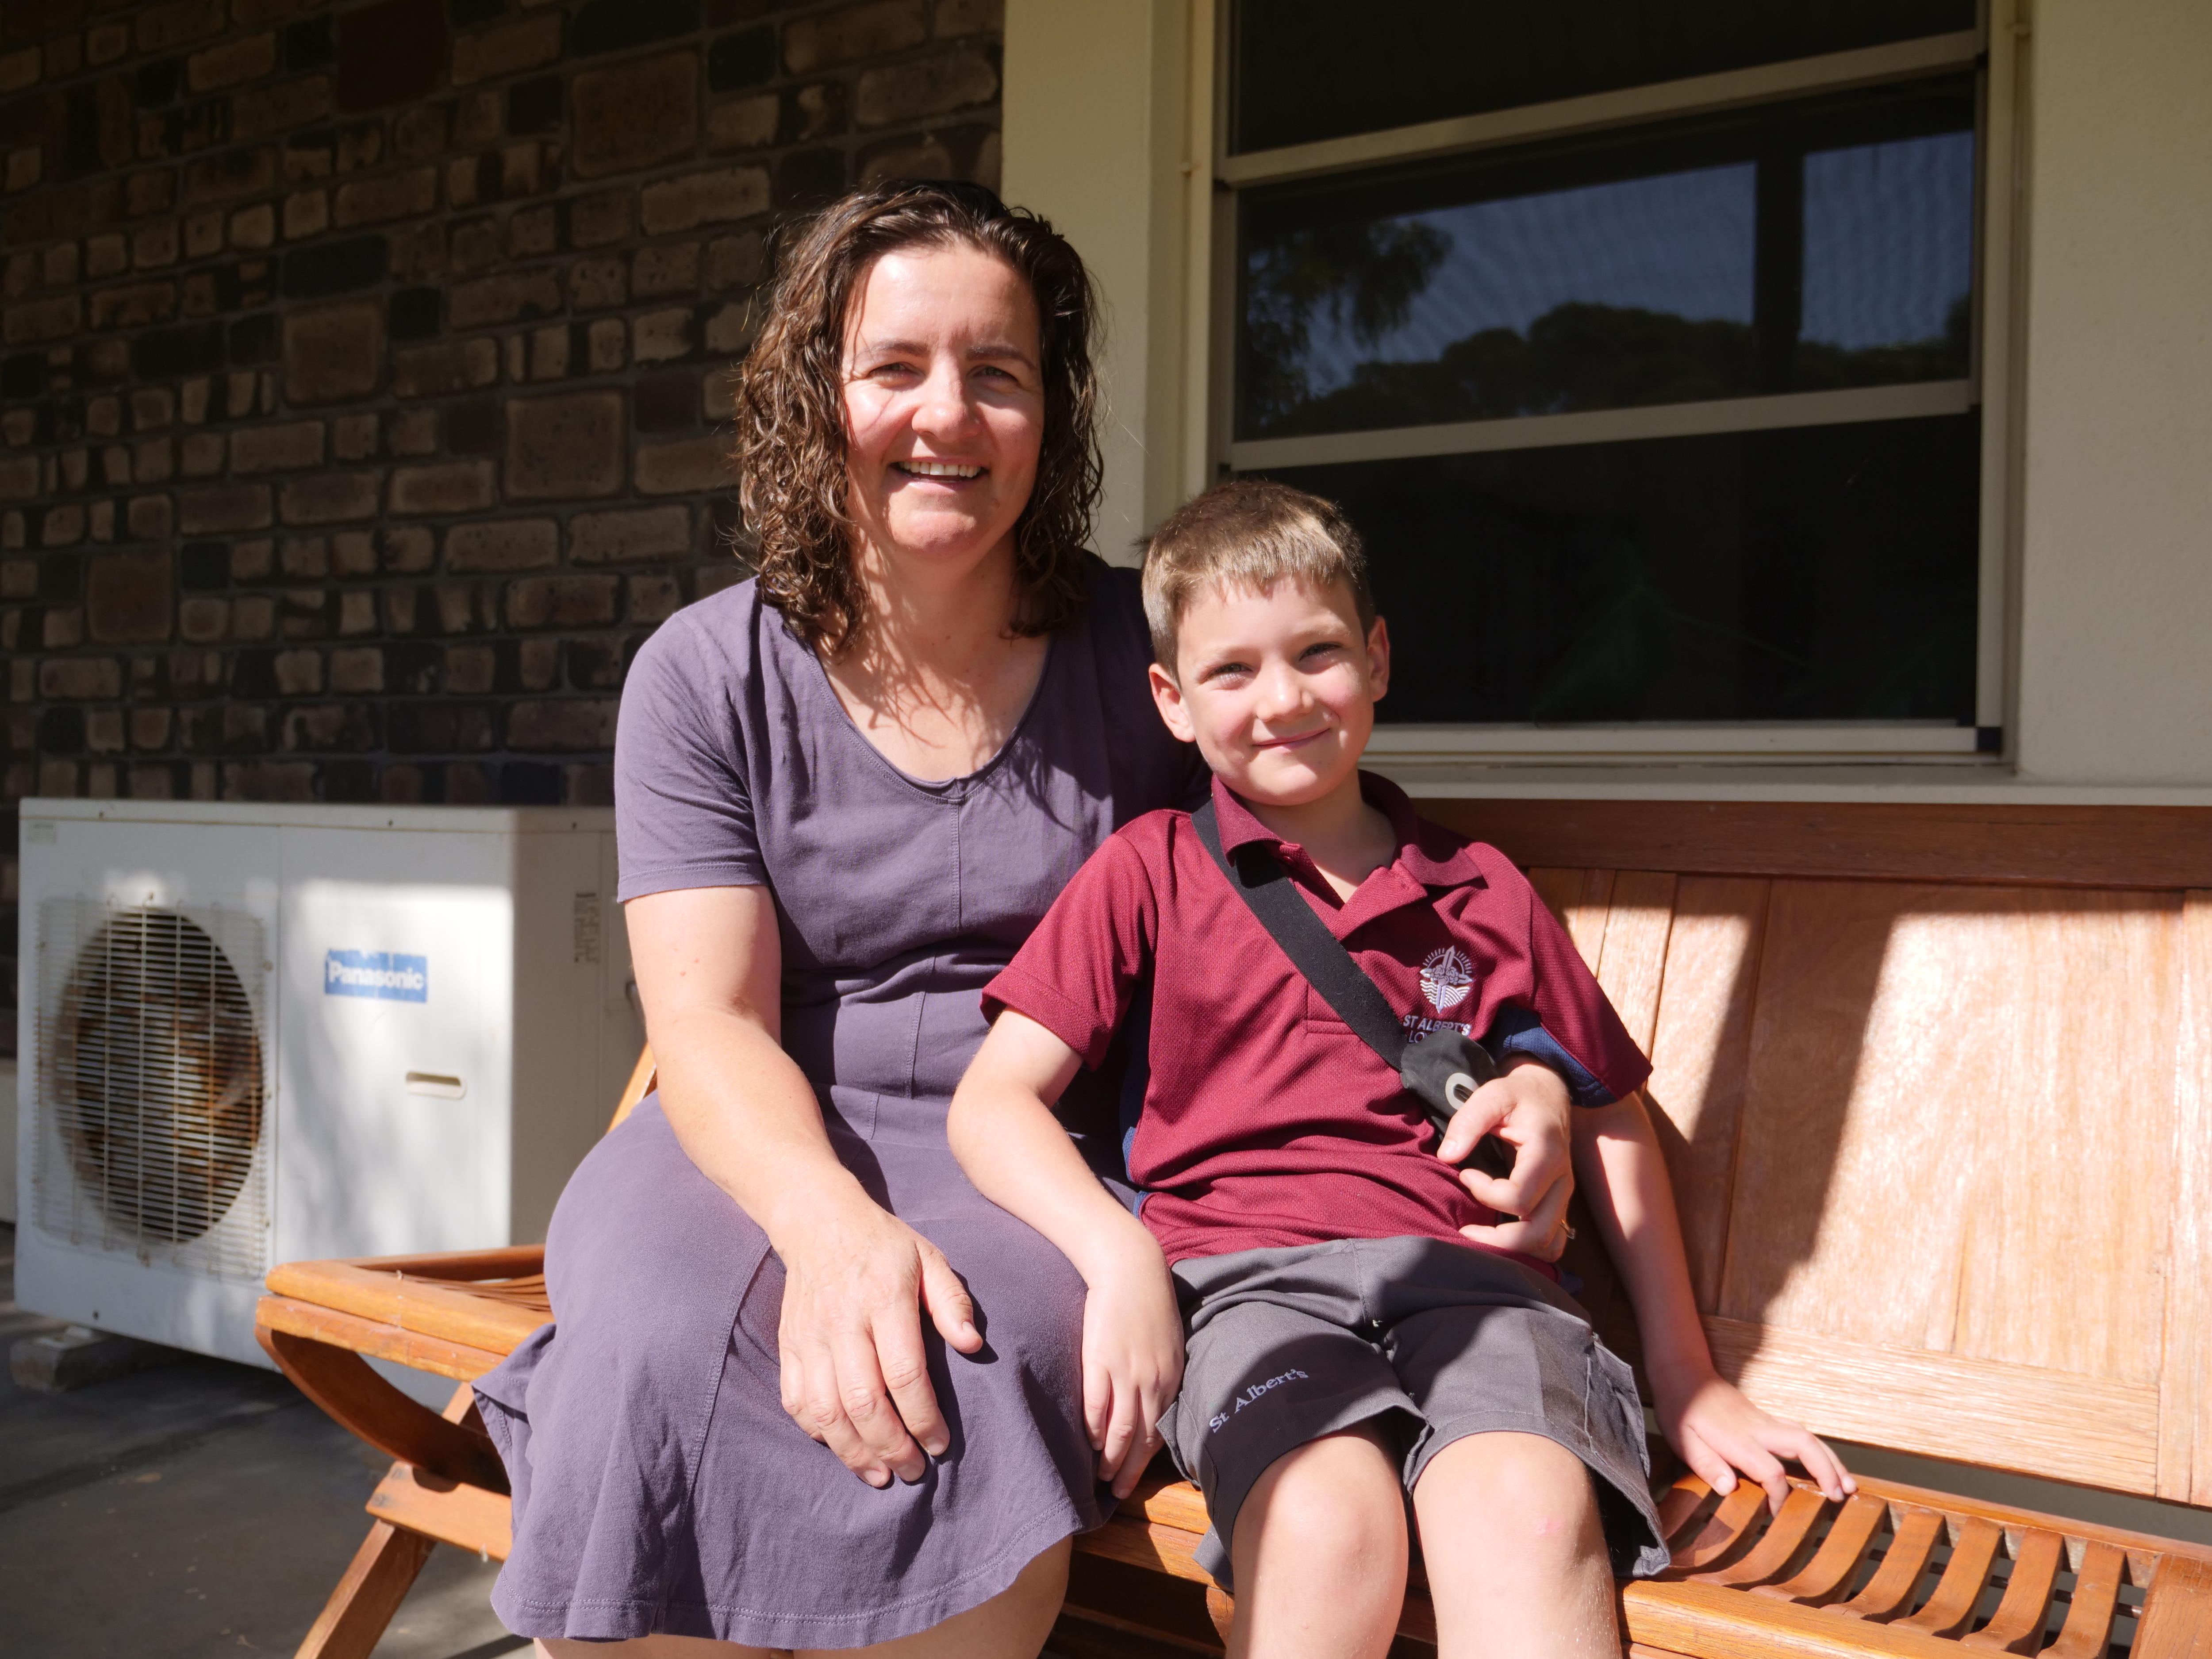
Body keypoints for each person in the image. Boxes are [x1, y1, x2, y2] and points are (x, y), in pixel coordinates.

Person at [469, 184, 1582, 1658]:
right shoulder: (704, 673)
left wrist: (1527, 1079)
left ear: (1050, 414)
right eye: (895, 369)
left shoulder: (1149, 654)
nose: (950, 415)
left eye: (999, 374)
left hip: (1044, 1152)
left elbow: (1341, 875)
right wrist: (834, 1232)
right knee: (654, 1357)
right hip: (751, 1138)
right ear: (818, 397)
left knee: (958, 1377)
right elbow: (709, 1024)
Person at [949, 479, 1855, 1659]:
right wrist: (1117, 1255)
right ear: (1171, 701)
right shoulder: (1151, 870)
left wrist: (1687, 1378)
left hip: (1481, 1292)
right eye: (1231, 671)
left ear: (1377, 658)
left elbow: (1607, 1110)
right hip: (1247, 1292)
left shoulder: (1479, 888)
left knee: (1529, 1518)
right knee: (1324, 1527)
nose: (1281, 700)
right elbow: (992, 1102)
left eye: (1317, 652)